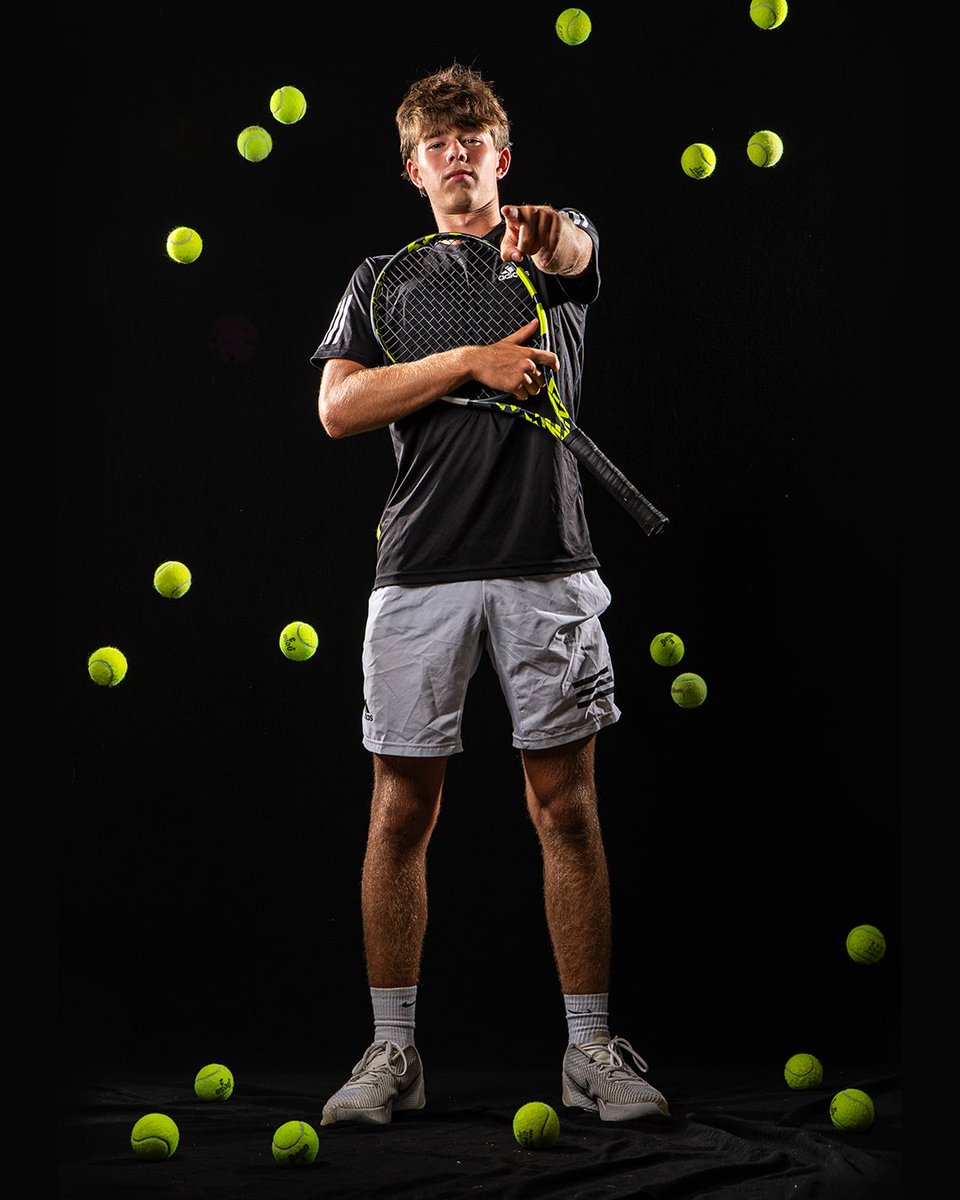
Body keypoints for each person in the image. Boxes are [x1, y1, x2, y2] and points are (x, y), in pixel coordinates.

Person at [311, 63, 669, 1127]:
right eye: (439, 141)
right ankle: (392, 1054)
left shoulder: (546, 255)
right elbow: (338, 407)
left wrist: (554, 235)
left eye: (476, 137)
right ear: (414, 167)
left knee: (566, 807)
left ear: (500, 157)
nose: (458, 152)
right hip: (418, 570)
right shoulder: (383, 280)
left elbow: (579, 248)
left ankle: (591, 1051)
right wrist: (470, 361)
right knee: (398, 812)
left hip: (546, 566)